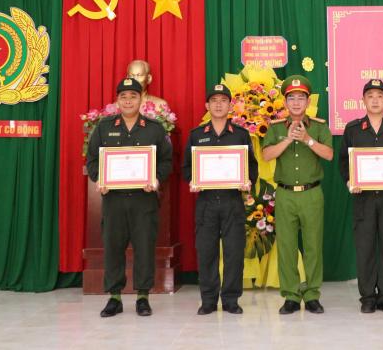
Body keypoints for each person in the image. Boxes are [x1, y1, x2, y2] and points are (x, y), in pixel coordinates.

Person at [86, 77, 173, 317]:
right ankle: (114, 297)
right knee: (113, 248)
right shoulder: (104, 127)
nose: (128, 101)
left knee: (144, 247)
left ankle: (143, 297)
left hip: (143, 200)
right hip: (113, 200)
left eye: (133, 96)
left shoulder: (154, 128)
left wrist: (156, 179)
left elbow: (166, 161)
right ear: (117, 101)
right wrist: (100, 179)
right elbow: (92, 160)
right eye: (123, 97)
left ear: (141, 99)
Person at [183, 84, 258, 315]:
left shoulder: (240, 134)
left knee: (234, 253)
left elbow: (252, 166)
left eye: (223, 100)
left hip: (232, 201)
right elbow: (187, 167)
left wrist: (247, 181)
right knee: (206, 253)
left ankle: (231, 300)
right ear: (207, 105)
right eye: (214, 100)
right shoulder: (197, 135)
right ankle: (208, 300)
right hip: (206, 202)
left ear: (230, 105)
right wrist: (193, 180)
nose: (218, 105)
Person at [338, 79, 383, 313]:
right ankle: (368, 297)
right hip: (364, 199)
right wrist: (350, 181)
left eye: (380, 96)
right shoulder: (353, 129)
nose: (375, 100)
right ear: (363, 100)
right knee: (365, 248)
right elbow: (343, 161)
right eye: (370, 96)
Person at [262, 75, 333, 315]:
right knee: (287, 247)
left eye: (300, 98)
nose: (295, 102)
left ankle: (312, 294)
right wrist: (288, 139)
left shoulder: (319, 127)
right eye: (291, 98)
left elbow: (329, 154)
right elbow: (267, 155)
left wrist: (307, 139)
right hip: (285, 195)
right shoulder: (275, 128)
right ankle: (291, 295)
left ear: (308, 101)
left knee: (313, 246)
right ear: (285, 102)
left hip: (311, 194)